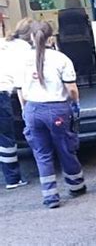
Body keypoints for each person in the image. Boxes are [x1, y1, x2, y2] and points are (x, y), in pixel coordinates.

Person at [18, 20, 86, 208]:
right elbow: (71, 90)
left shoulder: (22, 60)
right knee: (65, 148)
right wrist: (75, 103)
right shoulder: (60, 58)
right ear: (50, 37)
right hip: (57, 109)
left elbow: (21, 92)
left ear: (31, 37)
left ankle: (50, 196)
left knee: (42, 154)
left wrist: (25, 111)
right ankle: (76, 186)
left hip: (32, 109)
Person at [0, 19, 32, 190]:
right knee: (6, 138)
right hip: (3, 92)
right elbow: (24, 76)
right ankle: (12, 179)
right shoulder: (25, 48)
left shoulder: (3, 42)